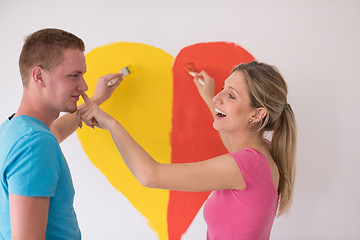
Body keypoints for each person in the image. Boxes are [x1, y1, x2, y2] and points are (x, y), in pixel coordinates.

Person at [77, 60, 297, 239]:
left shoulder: (245, 165)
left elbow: (150, 175)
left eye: (230, 95)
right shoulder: (263, 153)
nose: (217, 97)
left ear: (257, 114)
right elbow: (233, 145)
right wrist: (211, 101)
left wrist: (112, 124)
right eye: (222, 89)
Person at [0, 28, 123, 240]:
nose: (83, 85)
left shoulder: (14, 130)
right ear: (39, 76)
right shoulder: (36, 145)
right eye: (74, 76)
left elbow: (53, 131)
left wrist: (97, 99)